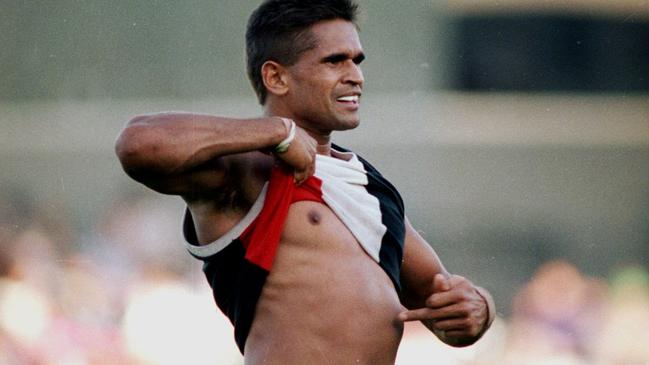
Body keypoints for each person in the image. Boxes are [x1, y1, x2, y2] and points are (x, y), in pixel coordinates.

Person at [115, 0, 495, 363]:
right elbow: (138, 143)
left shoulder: (370, 187)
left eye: (356, 61)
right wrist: (278, 132)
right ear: (276, 76)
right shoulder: (247, 171)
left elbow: (443, 304)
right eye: (335, 61)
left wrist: (480, 309)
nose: (355, 76)